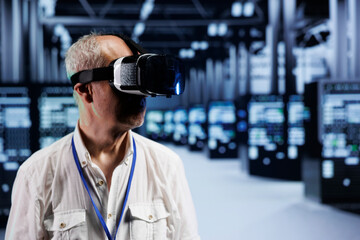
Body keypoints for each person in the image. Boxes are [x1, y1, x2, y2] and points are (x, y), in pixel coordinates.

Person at [5, 33, 200, 240]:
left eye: (141, 78)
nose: (141, 93)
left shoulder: (167, 165)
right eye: (127, 78)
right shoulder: (36, 175)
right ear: (86, 90)